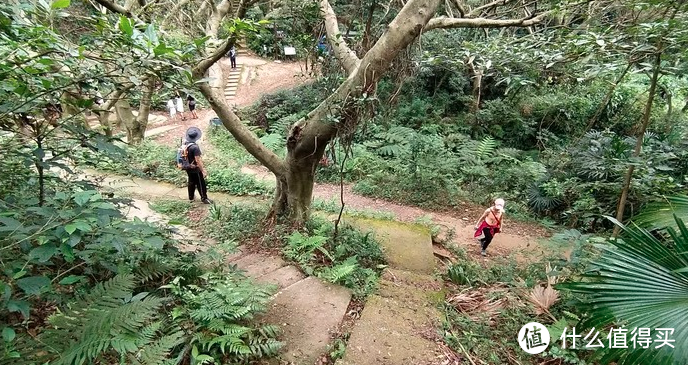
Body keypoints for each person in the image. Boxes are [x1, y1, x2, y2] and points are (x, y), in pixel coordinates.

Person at [183, 127, 211, 204]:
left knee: (191, 182)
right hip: (195, 169)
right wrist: (203, 170)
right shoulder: (195, 147)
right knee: (200, 183)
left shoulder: (185, 144)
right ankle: (204, 198)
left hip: (187, 167)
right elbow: (198, 160)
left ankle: (191, 197)